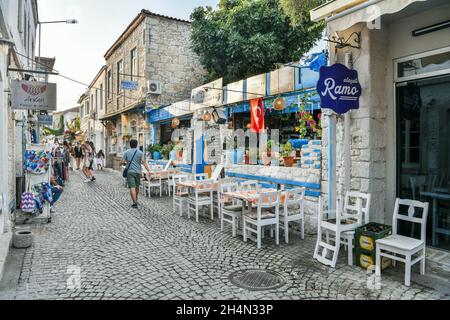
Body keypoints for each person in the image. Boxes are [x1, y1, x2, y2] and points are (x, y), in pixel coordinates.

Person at [120, 139, 151, 209]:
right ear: (136, 145)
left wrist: (122, 163)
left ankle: (134, 202)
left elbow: (122, 162)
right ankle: (136, 198)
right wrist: (148, 170)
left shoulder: (126, 152)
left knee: (132, 187)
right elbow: (144, 162)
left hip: (130, 172)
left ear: (130, 145)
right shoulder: (140, 152)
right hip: (138, 172)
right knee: (137, 186)